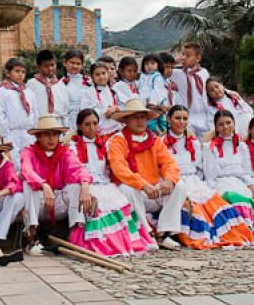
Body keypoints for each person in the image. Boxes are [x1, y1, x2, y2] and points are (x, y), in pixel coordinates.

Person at [164, 105, 254, 249]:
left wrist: (199, 183)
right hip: (175, 182)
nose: (181, 122)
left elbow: (200, 167)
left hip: (194, 180)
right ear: (169, 119)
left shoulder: (193, 142)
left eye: (185, 119)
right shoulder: (162, 142)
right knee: (194, 209)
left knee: (215, 204)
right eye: (177, 118)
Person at [69, 109, 156, 258]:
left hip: (105, 184)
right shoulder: (73, 146)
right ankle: (100, 244)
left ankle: (124, 243)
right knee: (98, 208)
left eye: (95, 123)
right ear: (79, 126)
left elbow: (115, 165)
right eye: (87, 124)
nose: (92, 128)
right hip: (85, 185)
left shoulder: (104, 144)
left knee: (120, 204)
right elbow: (75, 170)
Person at [107, 98, 186, 250]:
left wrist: (168, 180)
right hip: (137, 190)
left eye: (142, 116)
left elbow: (169, 163)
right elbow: (119, 168)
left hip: (154, 190)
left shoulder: (154, 140)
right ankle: (145, 233)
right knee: (127, 188)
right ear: (126, 120)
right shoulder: (118, 140)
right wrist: (143, 185)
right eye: (135, 117)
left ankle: (164, 233)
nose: (139, 120)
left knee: (179, 185)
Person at [20, 114, 92, 255]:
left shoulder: (65, 152)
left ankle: (76, 235)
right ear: (38, 137)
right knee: (28, 185)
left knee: (76, 185)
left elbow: (78, 169)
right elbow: (26, 170)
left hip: (58, 202)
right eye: (47, 135)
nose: (52, 139)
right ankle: (32, 236)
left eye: (55, 134)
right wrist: (44, 185)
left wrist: (84, 185)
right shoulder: (29, 152)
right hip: (39, 203)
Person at [202, 110, 254, 233]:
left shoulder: (242, 146)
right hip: (222, 184)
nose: (226, 127)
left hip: (240, 183)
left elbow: (246, 172)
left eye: (228, 122)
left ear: (234, 123)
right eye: (221, 124)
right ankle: (239, 228)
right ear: (216, 127)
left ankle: (247, 227)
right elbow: (210, 175)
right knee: (232, 196)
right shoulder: (210, 147)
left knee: (251, 198)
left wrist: (252, 187)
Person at [0, 57, 37, 171]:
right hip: (12, 133)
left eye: (23, 72)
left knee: (29, 163)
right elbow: (1, 114)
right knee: (14, 164)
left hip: (28, 133)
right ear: (8, 73)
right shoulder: (3, 92)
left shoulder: (29, 92)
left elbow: (34, 112)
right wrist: (6, 136)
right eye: (17, 71)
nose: (21, 74)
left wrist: (34, 132)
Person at [171, 42, 210, 138]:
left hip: (204, 115)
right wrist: (174, 61)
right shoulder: (177, 74)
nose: (184, 58)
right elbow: (160, 69)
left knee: (206, 144)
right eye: (183, 54)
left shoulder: (204, 72)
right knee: (189, 144)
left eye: (188, 55)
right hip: (187, 117)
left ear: (198, 58)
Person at [27, 49, 69, 128]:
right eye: (46, 66)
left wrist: (65, 129)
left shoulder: (61, 85)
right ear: (39, 67)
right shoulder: (31, 84)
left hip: (57, 125)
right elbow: (29, 108)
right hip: (39, 125)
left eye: (52, 65)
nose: (50, 68)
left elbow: (65, 111)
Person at [80, 61, 122, 136]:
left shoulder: (114, 91)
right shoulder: (87, 93)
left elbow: (122, 106)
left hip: (116, 129)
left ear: (108, 74)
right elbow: (85, 112)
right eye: (97, 74)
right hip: (98, 132)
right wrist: (106, 111)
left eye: (103, 73)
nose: (101, 77)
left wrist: (115, 108)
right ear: (92, 77)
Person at [138, 53, 168, 134]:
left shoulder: (157, 76)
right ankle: (157, 134)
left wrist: (152, 102)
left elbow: (156, 91)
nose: (149, 66)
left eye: (152, 63)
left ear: (158, 64)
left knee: (161, 120)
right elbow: (140, 89)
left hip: (157, 102)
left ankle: (163, 134)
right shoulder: (143, 76)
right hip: (145, 103)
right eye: (146, 64)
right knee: (150, 122)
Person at [60, 48, 91, 128]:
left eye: (78, 63)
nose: (75, 66)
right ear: (65, 63)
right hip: (70, 121)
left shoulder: (88, 81)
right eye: (72, 63)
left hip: (88, 119)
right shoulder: (61, 83)